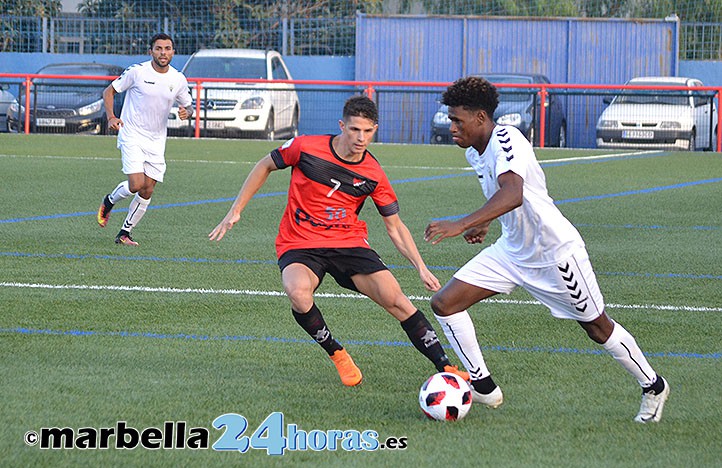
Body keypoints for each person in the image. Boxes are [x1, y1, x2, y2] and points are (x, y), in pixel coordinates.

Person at [424, 76, 669, 422]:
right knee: (445, 303)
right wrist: (485, 222)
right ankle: (483, 386)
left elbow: (513, 194)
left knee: (597, 326)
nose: (451, 126)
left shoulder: (507, 138)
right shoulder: (474, 151)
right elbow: (504, 198)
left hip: (555, 254)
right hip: (512, 251)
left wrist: (461, 223)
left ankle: (653, 386)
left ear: (480, 118)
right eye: (450, 119)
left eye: (457, 120)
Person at [209, 95, 468, 387]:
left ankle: (446, 366)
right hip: (300, 242)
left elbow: (395, 227)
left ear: (375, 130)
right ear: (342, 126)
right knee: (298, 292)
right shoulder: (305, 147)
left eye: (368, 131)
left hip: (349, 243)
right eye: (355, 129)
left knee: (397, 301)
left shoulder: (373, 173)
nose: (361, 138)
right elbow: (264, 165)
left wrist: (420, 267)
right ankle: (337, 353)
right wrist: (236, 210)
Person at [97, 33, 193, 246]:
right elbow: (108, 92)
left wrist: (188, 112)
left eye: (167, 48)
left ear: (173, 52)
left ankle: (124, 233)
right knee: (136, 184)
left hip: (157, 140)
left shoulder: (178, 79)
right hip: (132, 133)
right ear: (151, 52)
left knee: (148, 189)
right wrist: (112, 117)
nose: (163, 53)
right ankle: (109, 201)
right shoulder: (137, 72)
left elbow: (188, 105)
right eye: (158, 48)